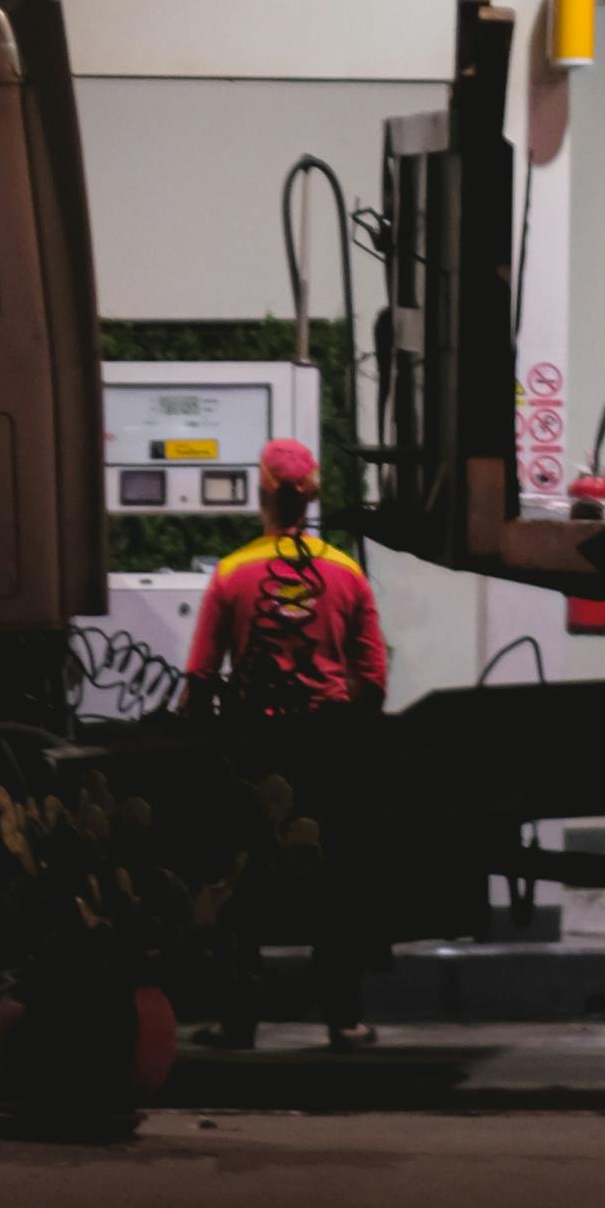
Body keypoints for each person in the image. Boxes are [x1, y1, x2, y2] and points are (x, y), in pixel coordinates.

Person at [181, 441, 390, 1047]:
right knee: (335, 879)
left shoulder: (231, 573)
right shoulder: (347, 572)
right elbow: (373, 679)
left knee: (240, 878)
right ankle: (344, 1020)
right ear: (313, 496)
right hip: (328, 748)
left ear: (262, 493)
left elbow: (199, 678)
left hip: (253, 747)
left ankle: (237, 1021)